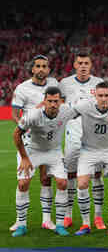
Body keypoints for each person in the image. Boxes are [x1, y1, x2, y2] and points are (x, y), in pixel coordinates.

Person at [12, 86, 74, 237]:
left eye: (56, 101)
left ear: (61, 101)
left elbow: (85, 110)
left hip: (54, 151)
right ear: (44, 101)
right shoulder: (33, 115)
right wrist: (25, 158)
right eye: (50, 101)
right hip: (32, 151)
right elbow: (16, 135)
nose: (53, 104)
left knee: (62, 183)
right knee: (23, 183)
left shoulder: (67, 110)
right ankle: (21, 225)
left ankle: (59, 224)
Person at [72, 81, 108, 236]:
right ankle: (85, 224)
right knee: (82, 183)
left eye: (107, 95)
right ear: (94, 95)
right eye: (100, 96)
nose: (104, 99)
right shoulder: (85, 106)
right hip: (88, 150)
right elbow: (66, 114)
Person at [10, 55, 59, 232]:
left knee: (46, 180)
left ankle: (47, 220)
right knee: (23, 183)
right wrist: (24, 126)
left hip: (48, 141)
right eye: (37, 66)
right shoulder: (22, 88)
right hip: (29, 142)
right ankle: (20, 222)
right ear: (32, 69)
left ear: (48, 69)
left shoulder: (54, 84)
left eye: (44, 66)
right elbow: (15, 114)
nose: (41, 69)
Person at [59, 50, 105, 229]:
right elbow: (60, 106)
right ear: (75, 65)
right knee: (70, 175)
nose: (83, 66)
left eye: (87, 63)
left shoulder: (99, 83)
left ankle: (98, 217)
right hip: (72, 135)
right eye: (80, 63)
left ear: (91, 65)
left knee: (96, 175)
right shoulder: (65, 83)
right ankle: (68, 215)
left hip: (94, 136)